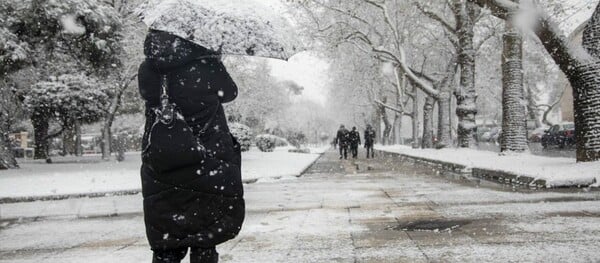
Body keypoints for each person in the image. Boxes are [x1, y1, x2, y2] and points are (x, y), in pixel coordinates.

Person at [138, 30, 245, 263]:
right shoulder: (207, 65)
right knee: (204, 237)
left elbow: (147, 93)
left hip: (164, 156)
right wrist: (214, 59)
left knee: (167, 240)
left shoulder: (149, 68)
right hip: (207, 156)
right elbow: (229, 93)